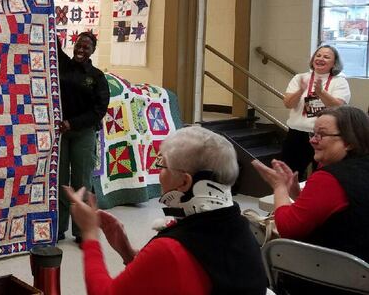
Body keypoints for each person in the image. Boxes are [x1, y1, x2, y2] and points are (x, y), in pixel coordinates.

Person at [65, 126, 266, 295]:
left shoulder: (171, 249)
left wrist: (89, 233)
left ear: (184, 181)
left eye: (162, 166)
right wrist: (127, 252)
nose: (159, 174)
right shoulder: (241, 229)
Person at [252, 106, 369, 262]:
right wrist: (297, 195)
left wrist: (279, 187)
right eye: (313, 133)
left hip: (335, 274)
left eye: (321, 135)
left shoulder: (329, 178)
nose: (312, 140)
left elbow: (288, 228)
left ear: (348, 142)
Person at [57, 31, 110, 242]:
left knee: (82, 183)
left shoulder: (96, 77)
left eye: (86, 47)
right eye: (78, 45)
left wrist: (74, 123)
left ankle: (82, 232)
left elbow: (100, 109)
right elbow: (52, 43)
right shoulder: (63, 65)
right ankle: (58, 229)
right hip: (61, 133)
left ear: (92, 51)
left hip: (83, 133)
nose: (80, 50)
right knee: (60, 181)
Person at [281, 45, 350, 179]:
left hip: (324, 137)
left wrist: (321, 93)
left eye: (326, 57)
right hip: (296, 134)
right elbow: (288, 103)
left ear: (334, 63)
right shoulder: (299, 78)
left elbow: (338, 107)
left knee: (322, 175)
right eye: (318, 55)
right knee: (288, 175)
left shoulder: (340, 81)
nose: (320, 59)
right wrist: (300, 91)